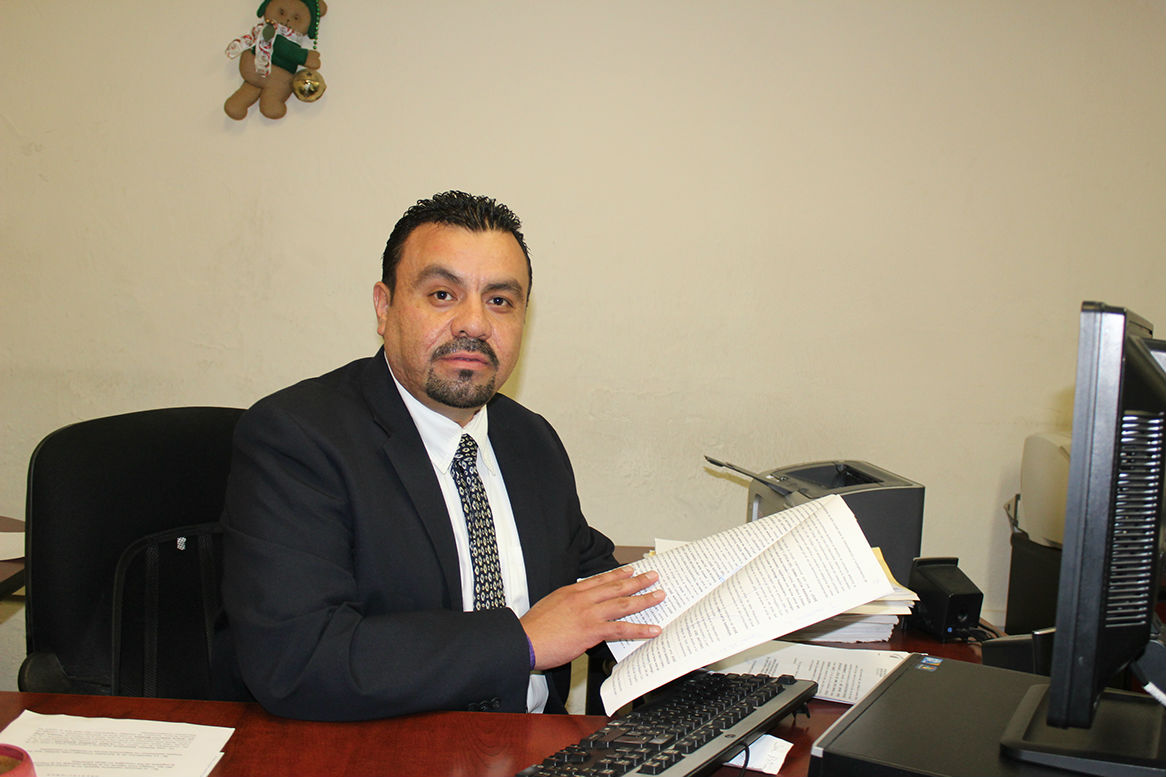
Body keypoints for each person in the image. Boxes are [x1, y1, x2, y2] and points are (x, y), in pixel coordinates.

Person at [214, 190, 664, 720]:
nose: (474, 324)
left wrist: (703, 604)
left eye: (500, 301)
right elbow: (299, 658)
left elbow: (593, 581)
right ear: (384, 308)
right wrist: (520, 642)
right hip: (382, 749)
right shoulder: (298, 439)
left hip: (540, 746)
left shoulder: (530, 440)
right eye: (443, 294)